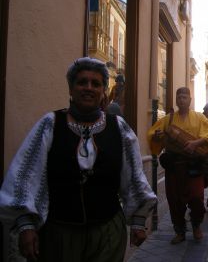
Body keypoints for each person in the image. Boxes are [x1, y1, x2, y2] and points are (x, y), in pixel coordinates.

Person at [0, 57, 157, 262]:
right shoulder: (50, 124)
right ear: (71, 89)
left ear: (103, 92)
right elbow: (27, 174)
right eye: (82, 82)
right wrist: (26, 224)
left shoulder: (119, 128)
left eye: (96, 83)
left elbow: (133, 175)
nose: (88, 88)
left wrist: (137, 221)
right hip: (59, 233)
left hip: (107, 232)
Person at [147, 87, 208, 244]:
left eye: (185, 97)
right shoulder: (168, 119)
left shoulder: (199, 118)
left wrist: (195, 143)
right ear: (176, 100)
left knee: (197, 198)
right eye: (179, 97)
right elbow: (153, 133)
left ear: (190, 100)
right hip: (174, 167)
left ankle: (196, 224)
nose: (181, 100)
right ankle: (179, 230)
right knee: (174, 200)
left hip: (193, 166)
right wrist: (157, 136)